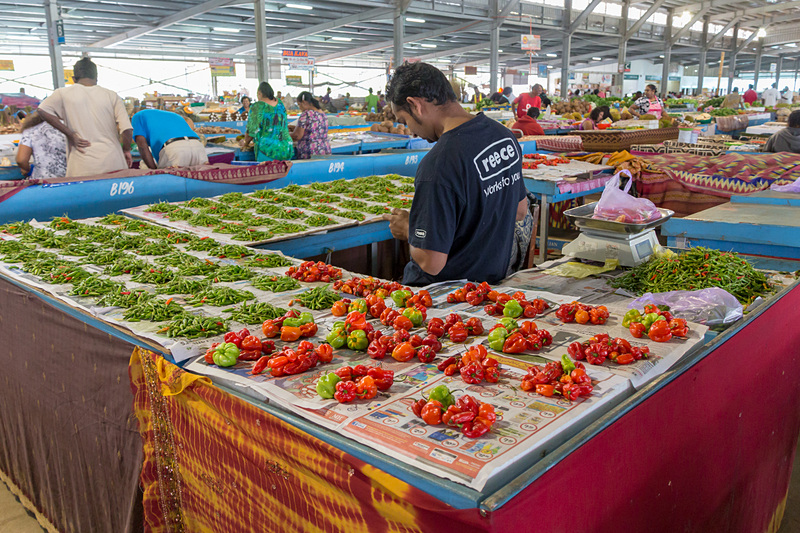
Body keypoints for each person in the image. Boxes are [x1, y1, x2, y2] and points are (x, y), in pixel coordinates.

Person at [382, 62, 528, 285]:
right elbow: (519, 210)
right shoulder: (503, 136)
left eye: (404, 120)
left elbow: (432, 261)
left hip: (444, 299)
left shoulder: (439, 163)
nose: (411, 130)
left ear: (415, 105)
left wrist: (409, 229)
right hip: (488, 286)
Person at [37, 57, 132, 177]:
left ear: (73, 78)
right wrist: (126, 150)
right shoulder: (111, 95)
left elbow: (42, 110)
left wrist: (71, 134)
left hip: (82, 164)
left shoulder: (63, 93)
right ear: (96, 77)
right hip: (113, 162)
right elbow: (127, 129)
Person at [131, 109, 207, 169]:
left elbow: (142, 146)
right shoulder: (173, 115)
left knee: (172, 184)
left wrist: (154, 170)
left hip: (175, 149)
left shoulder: (137, 117)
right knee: (201, 181)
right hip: (198, 146)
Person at [242, 81, 293, 161]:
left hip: (268, 149)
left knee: (268, 172)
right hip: (286, 147)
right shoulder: (280, 104)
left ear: (259, 93)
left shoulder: (258, 106)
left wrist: (245, 143)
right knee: (284, 172)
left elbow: (252, 131)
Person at [15, 112, 67, 179]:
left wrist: (26, 169)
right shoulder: (70, 126)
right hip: (70, 179)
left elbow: (21, 160)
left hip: (42, 180)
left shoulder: (31, 129)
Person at [290, 91, 331, 159]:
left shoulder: (306, 114)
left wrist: (285, 134)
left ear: (304, 102)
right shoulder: (322, 113)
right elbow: (313, 129)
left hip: (310, 151)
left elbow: (297, 136)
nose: (300, 107)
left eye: (299, 104)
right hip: (324, 150)